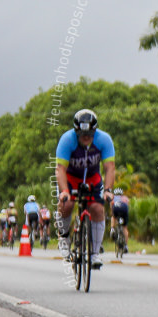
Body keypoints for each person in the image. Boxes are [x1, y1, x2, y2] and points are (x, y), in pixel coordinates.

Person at [55, 108, 116, 268]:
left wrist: (108, 190)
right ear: (76, 131)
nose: (86, 137)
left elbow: (110, 168)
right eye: (82, 134)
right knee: (66, 204)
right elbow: (60, 169)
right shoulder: (67, 140)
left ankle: (95, 254)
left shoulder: (104, 140)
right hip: (70, 178)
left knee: (97, 209)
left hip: (92, 179)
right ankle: (64, 238)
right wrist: (64, 192)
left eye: (90, 133)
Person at [110, 188, 130, 253]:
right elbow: (128, 205)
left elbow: (111, 206)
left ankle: (112, 228)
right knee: (125, 227)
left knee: (113, 217)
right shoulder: (125, 198)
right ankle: (126, 246)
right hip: (124, 209)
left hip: (116, 208)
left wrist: (112, 214)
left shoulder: (113, 197)